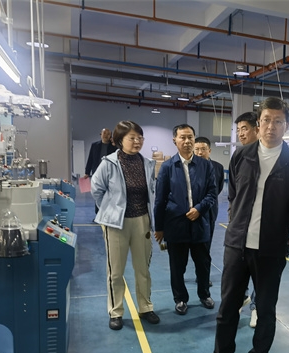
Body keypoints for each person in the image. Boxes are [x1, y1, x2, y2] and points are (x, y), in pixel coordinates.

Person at [198, 97, 289, 353]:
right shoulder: (242, 156)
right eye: (266, 120)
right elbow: (234, 194)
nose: (271, 126)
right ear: (258, 124)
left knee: (266, 309)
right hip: (237, 244)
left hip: (271, 249)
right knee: (228, 307)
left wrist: (273, 225)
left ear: (286, 126)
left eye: (278, 121)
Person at [91, 121, 159, 330]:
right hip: (116, 224)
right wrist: (109, 210)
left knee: (143, 269)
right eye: (132, 138)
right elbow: (96, 189)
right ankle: (116, 311)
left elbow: (151, 191)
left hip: (142, 221)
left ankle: (145, 307)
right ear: (120, 140)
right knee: (116, 271)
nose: (137, 141)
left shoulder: (147, 163)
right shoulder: (109, 163)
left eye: (140, 137)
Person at [154, 125, 218, 316]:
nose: (187, 141)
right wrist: (159, 227)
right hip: (176, 225)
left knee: (203, 263)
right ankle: (180, 298)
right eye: (183, 137)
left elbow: (212, 193)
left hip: (200, 223)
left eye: (190, 137)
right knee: (177, 266)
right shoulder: (167, 167)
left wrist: (199, 208)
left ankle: (204, 294)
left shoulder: (205, 166)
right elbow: (160, 199)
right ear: (175, 140)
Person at [234, 111, 260, 328]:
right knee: (238, 270)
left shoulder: (270, 157)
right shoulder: (239, 155)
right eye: (238, 130)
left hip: (264, 231)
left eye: (245, 129)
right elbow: (232, 194)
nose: (241, 134)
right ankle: (241, 298)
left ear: (256, 129)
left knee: (261, 276)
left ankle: (256, 308)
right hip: (241, 230)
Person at [194, 136, 225, 287]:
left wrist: (205, 204)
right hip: (191, 211)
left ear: (209, 150)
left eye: (203, 149)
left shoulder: (218, 167)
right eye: (197, 149)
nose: (200, 152)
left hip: (209, 211)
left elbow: (218, 188)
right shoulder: (189, 166)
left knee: (206, 246)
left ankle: (203, 277)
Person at [84, 128, 117, 214]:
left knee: (109, 193)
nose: (106, 135)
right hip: (97, 173)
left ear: (111, 136)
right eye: (104, 133)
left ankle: (108, 212)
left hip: (110, 173)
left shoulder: (114, 146)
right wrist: (87, 172)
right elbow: (90, 159)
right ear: (100, 134)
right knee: (97, 192)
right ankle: (98, 213)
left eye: (108, 134)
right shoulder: (95, 145)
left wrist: (115, 144)